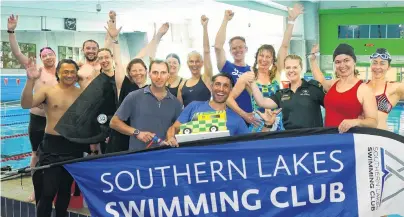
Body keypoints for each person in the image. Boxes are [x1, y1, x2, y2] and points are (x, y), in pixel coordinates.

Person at [21, 58, 88, 217]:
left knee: (65, 189)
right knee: (47, 191)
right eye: (65, 71)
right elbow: (26, 104)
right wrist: (30, 81)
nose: (69, 75)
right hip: (52, 145)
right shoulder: (48, 91)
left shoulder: (81, 94)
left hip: (73, 146)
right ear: (58, 72)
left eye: (72, 72)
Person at [226, 3, 303, 132]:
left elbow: (284, 46)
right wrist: (245, 115)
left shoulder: (277, 73)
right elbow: (228, 99)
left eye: (268, 57)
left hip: (278, 122)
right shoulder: (249, 76)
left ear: (273, 60)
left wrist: (291, 21)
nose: (264, 59)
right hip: (259, 125)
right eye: (262, 56)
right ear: (256, 58)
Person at [8, 14, 58, 202]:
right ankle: (36, 191)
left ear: (55, 55)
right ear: (40, 58)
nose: (47, 57)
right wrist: (11, 31)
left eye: (50, 54)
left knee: (57, 154)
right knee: (36, 155)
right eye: (44, 55)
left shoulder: (63, 71)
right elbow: (17, 53)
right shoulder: (36, 71)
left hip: (56, 119)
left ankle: (57, 187)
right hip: (37, 119)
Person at [105, 20, 170, 153]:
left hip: (142, 137)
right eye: (134, 70)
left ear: (146, 71)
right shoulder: (124, 85)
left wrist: (158, 37)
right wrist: (115, 40)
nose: (137, 73)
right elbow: (118, 63)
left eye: (140, 70)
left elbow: (149, 55)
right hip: (122, 134)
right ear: (129, 72)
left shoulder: (151, 88)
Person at [165, 73, 278, 146]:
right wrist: (170, 138)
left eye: (225, 86)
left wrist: (267, 125)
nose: (221, 89)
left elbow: (251, 143)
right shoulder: (194, 106)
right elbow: (174, 128)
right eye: (217, 84)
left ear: (230, 89)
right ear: (211, 86)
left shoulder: (236, 119)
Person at [109, 60, 182, 151]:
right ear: (149, 74)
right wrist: (137, 133)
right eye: (155, 72)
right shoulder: (133, 97)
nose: (159, 77)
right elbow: (114, 122)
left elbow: (178, 127)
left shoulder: (175, 103)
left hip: (165, 155)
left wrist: (172, 137)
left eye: (163, 73)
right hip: (138, 157)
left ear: (168, 75)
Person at [309, 43, 378, 133]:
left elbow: (373, 122)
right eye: (338, 62)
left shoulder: (364, 89)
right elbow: (321, 80)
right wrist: (312, 60)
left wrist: (356, 122)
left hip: (348, 142)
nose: (342, 65)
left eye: (346, 60)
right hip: (328, 138)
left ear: (354, 62)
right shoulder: (333, 84)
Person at [244, 54, 325, 129]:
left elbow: (332, 106)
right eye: (288, 67)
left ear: (301, 68)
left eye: (295, 67)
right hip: (289, 139)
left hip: (312, 138)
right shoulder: (282, 94)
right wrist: (253, 82)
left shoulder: (313, 88)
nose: (291, 70)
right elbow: (262, 102)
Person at [214, 10, 253, 118]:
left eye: (240, 47)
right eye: (234, 48)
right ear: (230, 51)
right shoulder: (226, 67)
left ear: (246, 49)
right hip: (231, 116)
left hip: (252, 118)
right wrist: (225, 20)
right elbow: (217, 46)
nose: (237, 50)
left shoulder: (252, 70)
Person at [177, 15, 213, 107]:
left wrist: (205, 27)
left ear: (202, 63)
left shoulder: (206, 78)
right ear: (187, 63)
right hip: (189, 121)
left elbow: (207, 51)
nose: (194, 64)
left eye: (197, 61)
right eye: (191, 61)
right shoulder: (182, 85)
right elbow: (179, 109)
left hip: (205, 120)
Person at [365, 48, 404, 130]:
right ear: (370, 65)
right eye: (374, 63)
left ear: (389, 67)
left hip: (382, 139)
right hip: (359, 138)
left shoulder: (394, 88)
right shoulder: (360, 87)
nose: (377, 67)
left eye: (382, 63)